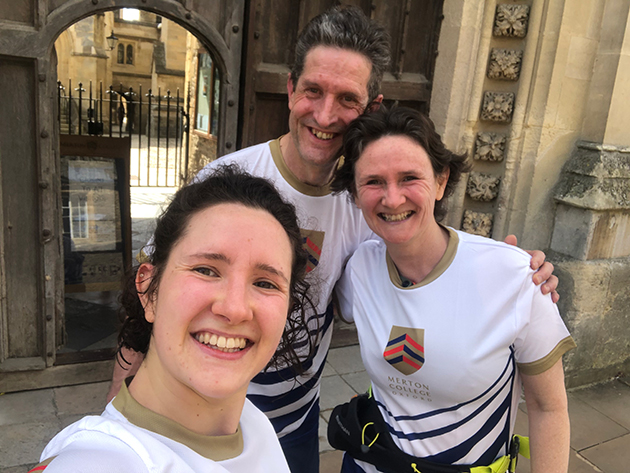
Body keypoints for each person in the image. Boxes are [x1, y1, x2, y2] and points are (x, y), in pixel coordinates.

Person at [107, 7, 559, 472]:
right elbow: (148, 302)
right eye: (313, 91)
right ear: (290, 89)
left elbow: (430, 259)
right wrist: (115, 413)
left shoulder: (372, 205)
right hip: (192, 421)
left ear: (371, 108)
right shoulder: (226, 181)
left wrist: (512, 273)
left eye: (346, 99)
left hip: (294, 426)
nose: (325, 114)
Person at [331, 106, 576, 473]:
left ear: (442, 181)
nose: (392, 198)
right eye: (373, 182)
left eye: (409, 177)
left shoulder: (514, 277)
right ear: (354, 192)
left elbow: (549, 408)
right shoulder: (360, 268)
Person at [30, 165, 313, 473]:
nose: (234, 309)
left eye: (265, 283)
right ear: (150, 291)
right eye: (206, 270)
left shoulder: (252, 421)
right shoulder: (98, 463)